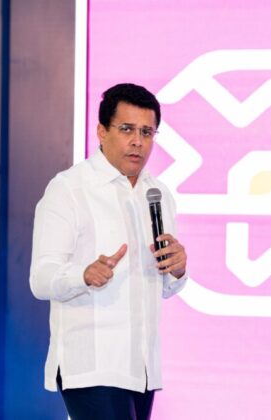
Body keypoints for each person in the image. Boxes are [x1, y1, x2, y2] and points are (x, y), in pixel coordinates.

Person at [30, 83, 187, 420]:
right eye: (127, 129)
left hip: (141, 367)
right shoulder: (69, 189)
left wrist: (177, 269)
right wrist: (83, 275)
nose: (138, 141)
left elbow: (163, 287)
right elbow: (41, 278)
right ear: (102, 131)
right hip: (92, 364)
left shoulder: (158, 193)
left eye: (147, 132)